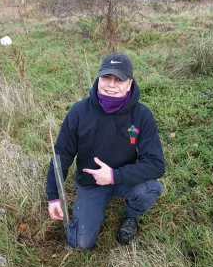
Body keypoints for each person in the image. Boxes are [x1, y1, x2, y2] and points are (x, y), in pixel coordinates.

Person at [46, 52, 165, 250]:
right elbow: (62, 155)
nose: (111, 85)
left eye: (119, 79)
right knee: (79, 243)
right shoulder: (79, 112)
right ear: (98, 77)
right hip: (90, 183)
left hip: (124, 178)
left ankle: (131, 216)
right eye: (106, 77)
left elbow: (156, 164)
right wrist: (53, 196)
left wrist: (113, 175)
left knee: (149, 190)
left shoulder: (142, 115)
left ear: (130, 83)